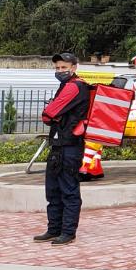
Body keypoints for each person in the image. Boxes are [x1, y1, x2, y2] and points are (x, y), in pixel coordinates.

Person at [35, 52, 90, 245]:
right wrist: (53, 114)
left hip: (70, 146)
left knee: (68, 190)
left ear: (74, 67)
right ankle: (54, 230)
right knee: (53, 190)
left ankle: (68, 232)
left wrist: (52, 114)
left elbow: (49, 113)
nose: (60, 71)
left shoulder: (75, 86)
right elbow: (50, 115)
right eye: (57, 68)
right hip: (59, 144)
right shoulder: (66, 86)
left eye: (64, 68)